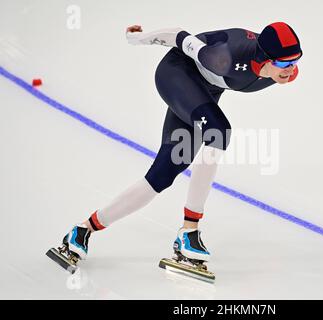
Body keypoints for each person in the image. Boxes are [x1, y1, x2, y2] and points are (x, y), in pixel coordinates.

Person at [55, 22, 302, 268]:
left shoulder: (285, 73)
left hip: (204, 92)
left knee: (164, 172)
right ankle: (189, 231)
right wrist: (140, 38)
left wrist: (286, 66)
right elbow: (179, 36)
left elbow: (281, 68)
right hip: (176, 73)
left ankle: (82, 230)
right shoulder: (223, 57)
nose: (290, 69)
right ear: (264, 59)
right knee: (218, 131)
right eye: (283, 63)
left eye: (295, 61)